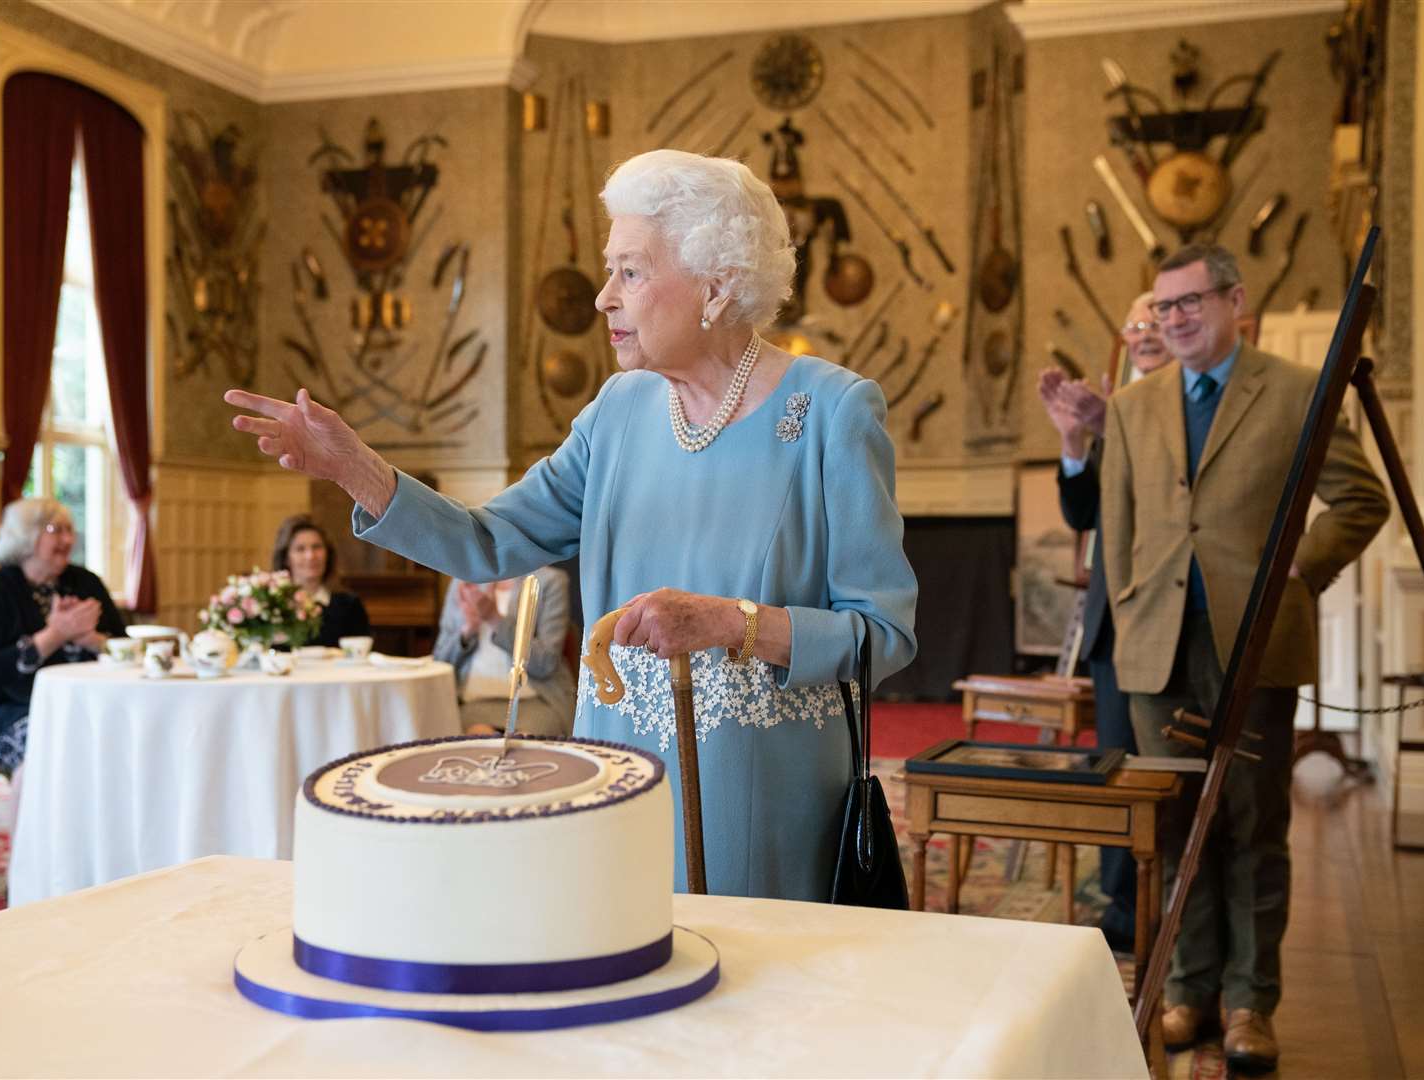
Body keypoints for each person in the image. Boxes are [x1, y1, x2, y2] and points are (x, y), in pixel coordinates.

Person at [227, 148, 918, 902]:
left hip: (764, 799)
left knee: (751, 1002)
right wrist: (355, 467)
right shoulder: (615, 414)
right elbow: (485, 542)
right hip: (616, 776)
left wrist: (733, 622)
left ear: (716, 286)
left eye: (630, 270)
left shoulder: (832, 412)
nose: (602, 298)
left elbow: (883, 633)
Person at [1101, 244, 1388, 1070]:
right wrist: (1127, 608)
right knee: (1180, 820)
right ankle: (1188, 989)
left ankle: (1249, 1002)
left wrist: (1306, 563)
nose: (1175, 320)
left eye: (1191, 302)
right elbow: (1118, 530)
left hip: (1256, 643)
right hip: (1158, 648)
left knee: (1255, 826)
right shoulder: (1133, 405)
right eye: (1163, 308)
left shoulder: (1297, 391)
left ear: (1236, 303)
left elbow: (1360, 500)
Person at [1035, 292, 1174, 954]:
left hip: (1180, 616)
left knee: (1170, 772)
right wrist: (1073, 442)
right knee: (1115, 766)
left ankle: (1180, 905)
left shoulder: (1187, 407)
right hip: (1115, 622)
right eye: (1137, 321)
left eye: (1157, 320)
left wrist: (1111, 422)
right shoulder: (1111, 404)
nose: (1146, 331)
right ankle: (1124, 912)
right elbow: (1083, 511)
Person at [0, 498, 127, 777]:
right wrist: (54, 635)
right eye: (55, 529)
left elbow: (125, 648)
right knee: (52, 743)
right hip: (1, 715)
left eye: (70, 530)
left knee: (126, 732)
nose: (68, 539)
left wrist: (93, 641)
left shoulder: (87, 583)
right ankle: (36, 822)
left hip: (86, 706)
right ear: (27, 536)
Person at [435, 566, 577, 737]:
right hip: (474, 701)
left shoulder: (550, 580)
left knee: (524, 750)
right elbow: (440, 661)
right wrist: (468, 630)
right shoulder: (463, 581)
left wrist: (494, 618)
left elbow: (545, 664)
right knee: (481, 745)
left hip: (535, 700)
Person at [270, 515, 370, 648]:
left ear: (327, 554)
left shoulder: (349, 605)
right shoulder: (273, 604)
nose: (310, 556)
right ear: (286, 558)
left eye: (316, 547)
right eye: (300, 549)